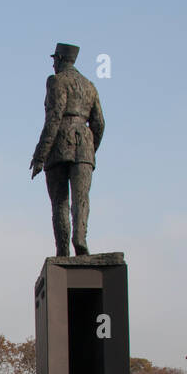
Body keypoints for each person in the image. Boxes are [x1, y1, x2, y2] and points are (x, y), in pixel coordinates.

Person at [30, 42, 105, 257]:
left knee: (60, 201)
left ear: (60, 60)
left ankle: (63, 250)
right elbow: (99, 123)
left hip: (60, 145)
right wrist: (90, 148)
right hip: (85, 147)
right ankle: (80, 238)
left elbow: (53, 118)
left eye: (54, 59)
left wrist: (40, 156)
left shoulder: (56, 81)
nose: (53, 64)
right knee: (81, 199)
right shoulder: (90, 86)